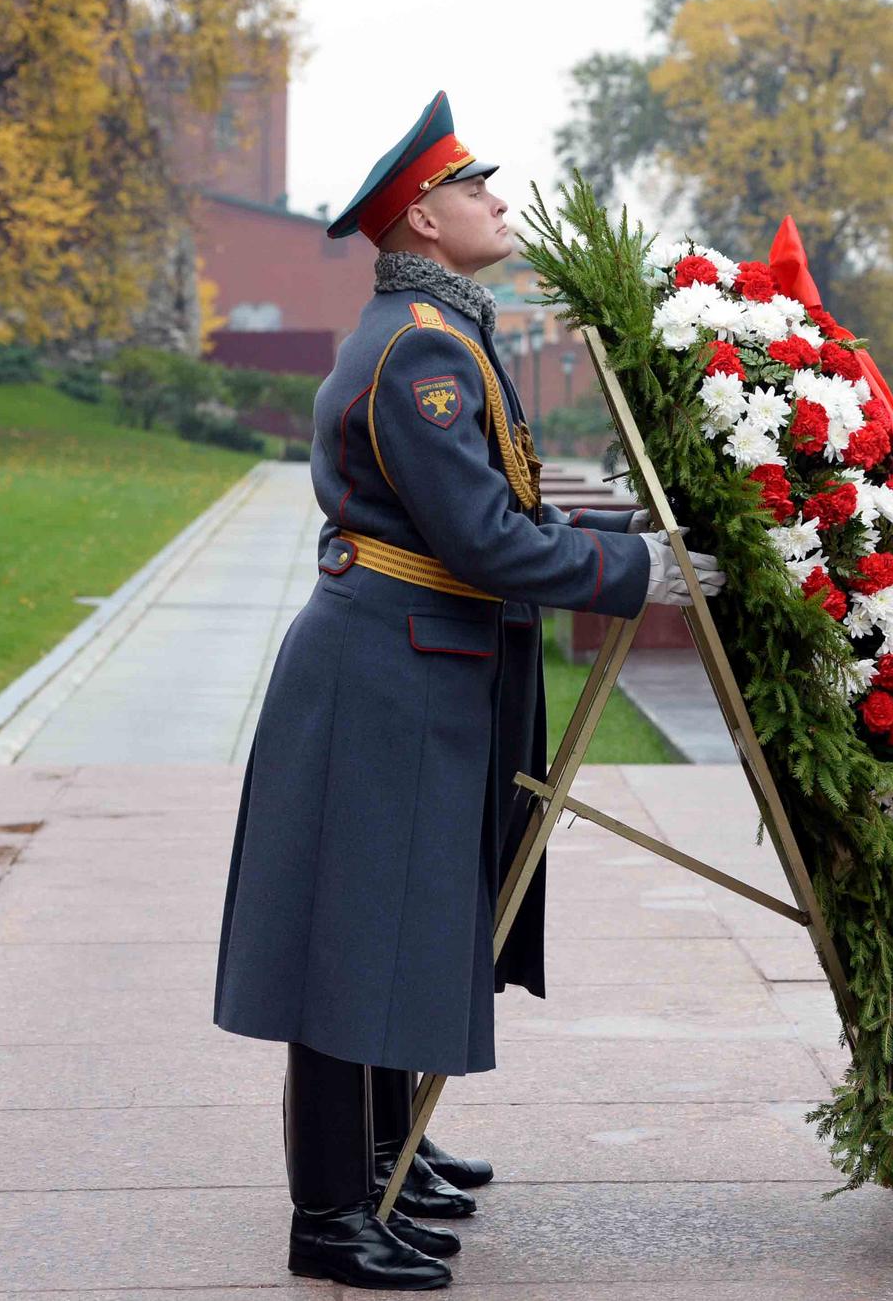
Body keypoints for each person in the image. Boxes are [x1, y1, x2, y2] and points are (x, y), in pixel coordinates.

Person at [212, 92, 725, 1289]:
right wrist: (633, 567)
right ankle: (332, 1212)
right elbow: (485, 540)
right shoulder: (422, 352)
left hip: (414, 659)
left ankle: (385, 1160)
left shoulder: (434, 332)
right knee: (351, 942)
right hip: (384, 666)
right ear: (426, 221)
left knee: (396, 926)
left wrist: (607, 534)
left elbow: (497, 514)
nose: (501, 201)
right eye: (479, 188)